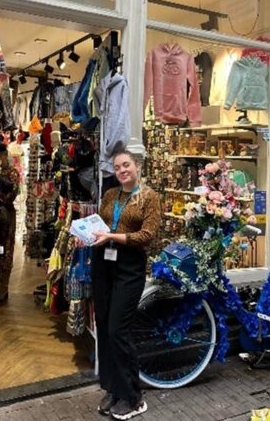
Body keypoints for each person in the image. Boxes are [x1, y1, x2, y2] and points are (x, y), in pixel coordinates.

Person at [91, 150, 160, 419]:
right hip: (103, 265)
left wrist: (111, 235)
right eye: (118, 167)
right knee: (106, 330)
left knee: (119, 330)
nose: (122, 170)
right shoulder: (110, 195)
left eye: (126, 165)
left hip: (129, 268)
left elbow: (148, 235)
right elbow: (99, 223)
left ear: (137, 166)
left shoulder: (150, 197)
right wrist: (86, 234)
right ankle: (114, 388)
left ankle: (133, 397)